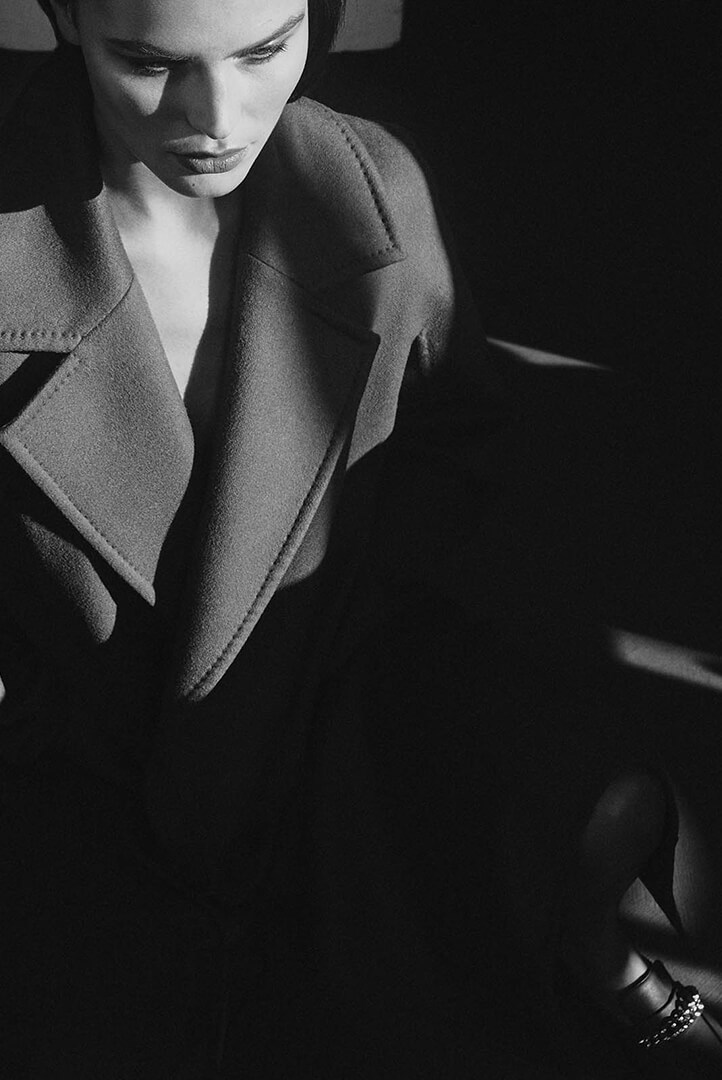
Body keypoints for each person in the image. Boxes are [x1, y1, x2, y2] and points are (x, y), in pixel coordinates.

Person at [0, 0, 719, 1076]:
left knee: (564, 806)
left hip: (336, 710)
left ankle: (584, 948)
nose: (217, 117)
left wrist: (393, 682)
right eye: (147, 61)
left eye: (264, 50)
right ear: (64, 20)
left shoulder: (369, 191)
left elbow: (454, 466)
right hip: (72, 764)